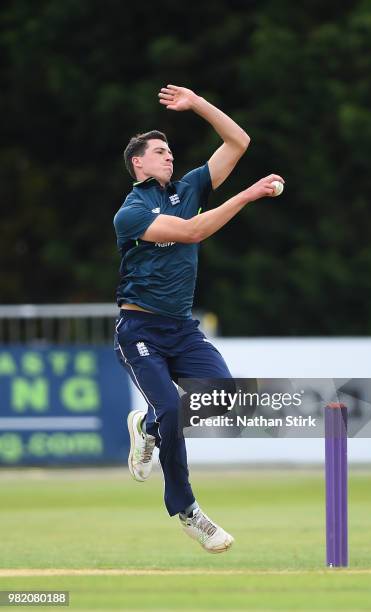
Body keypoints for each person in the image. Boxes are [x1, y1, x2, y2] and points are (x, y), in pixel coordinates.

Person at [113, 84, 284, 554]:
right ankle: (188, 512)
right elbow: (193, 231)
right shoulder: (130, 213)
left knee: (225, 399)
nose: (169, 157)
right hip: (140, 330)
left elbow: (238, 143)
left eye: (170, 151)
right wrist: (246, 195)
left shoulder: (188, 188)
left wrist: (198, 104)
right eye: (159, 152)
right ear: (138, 164)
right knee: (171, 408)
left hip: (182, 329)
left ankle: (145, 428)